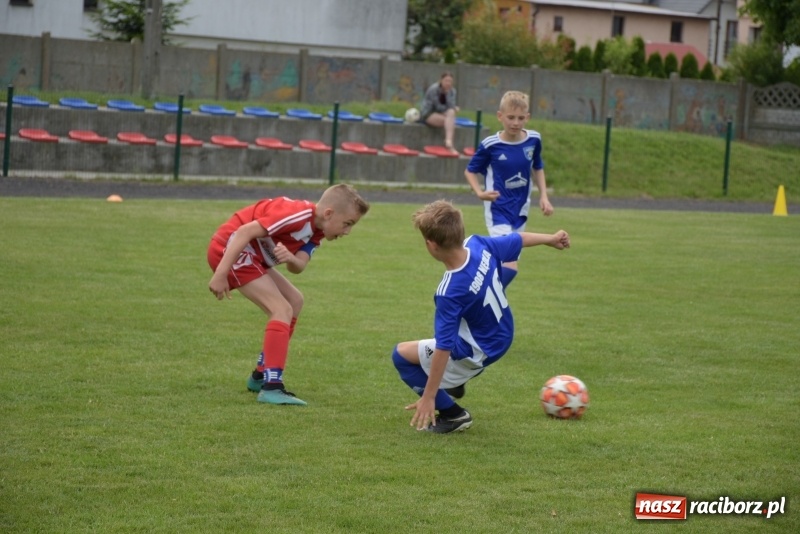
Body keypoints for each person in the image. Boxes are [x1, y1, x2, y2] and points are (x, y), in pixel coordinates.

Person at [391, 200, 570, 433]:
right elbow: (517, 240)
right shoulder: (477, 245)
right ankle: (456, 381)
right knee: (494, 285)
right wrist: (551, 238)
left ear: (431, 245)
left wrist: (429, 396)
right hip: (503, 332)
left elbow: (444, 346)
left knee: (401, 356)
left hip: (478, 350)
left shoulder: (449, 292)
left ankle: (454, 415)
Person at [207, 184, 370, 406]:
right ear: (329, 213)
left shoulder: (317, 231)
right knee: (280, 309)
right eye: (347, 224)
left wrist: (290, 258)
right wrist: (221, 273)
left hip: (251, 255)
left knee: (294, 300)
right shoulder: (295, 214)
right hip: (230, 249)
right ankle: (272, 386)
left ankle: (259, 375)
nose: (347, 231)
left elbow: (298, 266)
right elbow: (244, 231)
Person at [464, 90, 554, 287]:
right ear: (500, 116)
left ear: (527, 118)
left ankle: (480, 290)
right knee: (510, 265)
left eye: (521, 118)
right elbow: (470, 171)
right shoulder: (491, 145)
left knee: (504, 261)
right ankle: (482, 299)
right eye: (511, 117)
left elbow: (537, 167)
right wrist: (480, 193)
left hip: (521, 209)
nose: (515, 123)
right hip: (498, 209)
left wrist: (544, 197)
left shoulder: (533, 140)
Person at [420, 71, 459, 153]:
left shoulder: (452, 91)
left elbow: (451, 106)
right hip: (429, 114)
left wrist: (452, 108)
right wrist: (450, 109)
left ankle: (448, 141)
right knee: (450, 121)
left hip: (442, 115)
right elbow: (437, 106)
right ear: (441, 80)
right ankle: (450, 145)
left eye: (450, 81)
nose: (448, 83)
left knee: (451, 113)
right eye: (446, 81)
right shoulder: (434, 89)